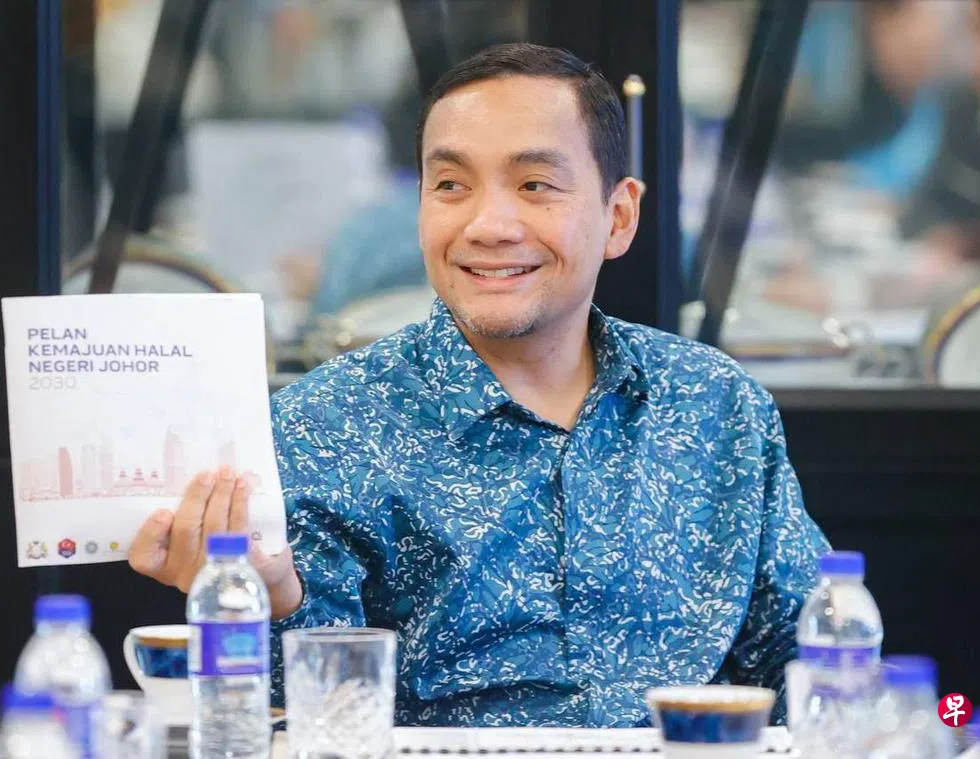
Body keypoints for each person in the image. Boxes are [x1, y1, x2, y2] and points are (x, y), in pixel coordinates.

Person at [128, 42, 830, 727]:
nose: (489, 226)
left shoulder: (714, 403)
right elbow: (314, 720)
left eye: (535, 185)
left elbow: (809, 655)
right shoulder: (324, 424)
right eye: (451, 186)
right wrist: (271, 597)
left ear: (618, 217)